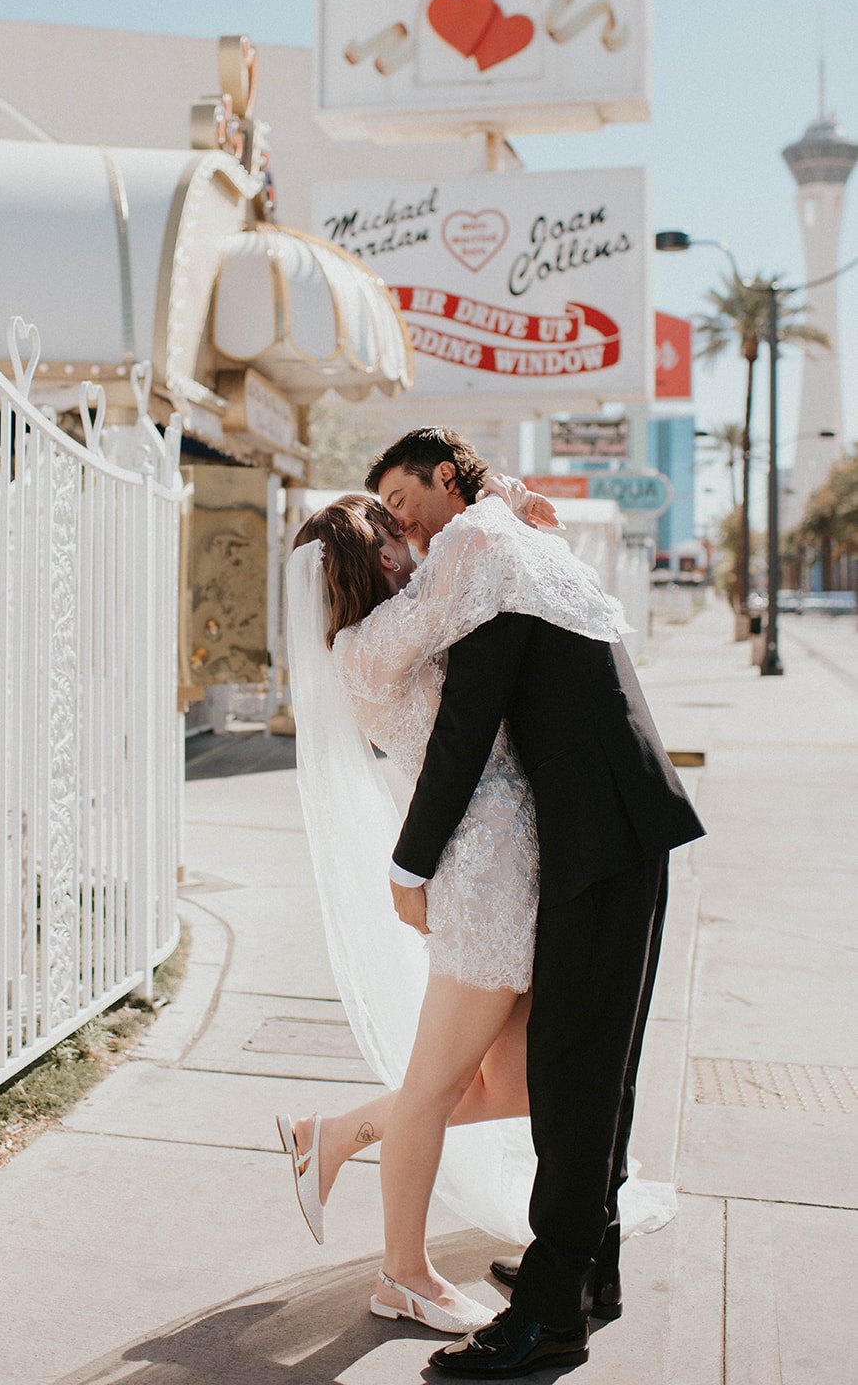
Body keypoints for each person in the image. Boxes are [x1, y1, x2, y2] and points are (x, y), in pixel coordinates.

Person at [280, 476, 673, 1336]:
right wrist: (493, 506)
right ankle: (402, 1272)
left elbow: (491, 593)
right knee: (435, 1088)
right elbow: (466, 575)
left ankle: (336, 1131)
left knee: (527, 1083)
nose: (410, 538)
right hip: (481, 872)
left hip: (513, 861)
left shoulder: (399, 623)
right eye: (393, 528)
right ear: (376, 553)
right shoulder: (368, 643)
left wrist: (512, 524)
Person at [366, 427, 705, 1379]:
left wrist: (409, 865)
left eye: (403, 502)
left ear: (444, 479)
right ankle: (591, 1271)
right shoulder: (506, 539)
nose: (402, 525)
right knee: (597, 1062)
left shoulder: (481, 546)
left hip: (599, 833)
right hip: (616, 824)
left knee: (573, 1072)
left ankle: (552, 1312)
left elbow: (468, 725)